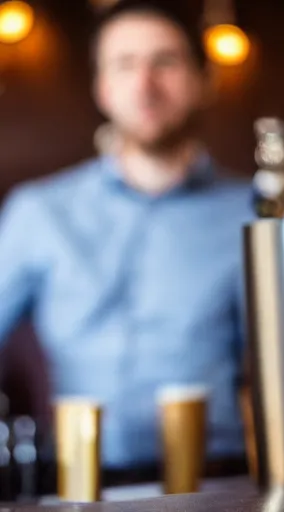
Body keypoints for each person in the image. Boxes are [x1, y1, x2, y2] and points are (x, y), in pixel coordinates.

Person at [0, 0, 252, 472]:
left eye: (165, 62)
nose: (145, 85)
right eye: (124, 64)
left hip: (220, 480)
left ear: (203, 80)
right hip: (75, 481)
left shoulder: (254, 211)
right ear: (102, 87)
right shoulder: (38, 211)